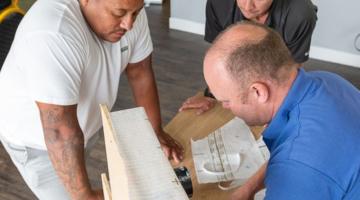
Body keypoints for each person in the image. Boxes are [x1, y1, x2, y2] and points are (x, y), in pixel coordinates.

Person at [0, 0, 183, 199]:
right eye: (119, 13)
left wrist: (154, 133)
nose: (129, 24)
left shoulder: (128, 10)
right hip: (39, 141)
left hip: (80, 128)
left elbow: (140, 71)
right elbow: (59, 131)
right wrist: (84, 196)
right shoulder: (53, 31)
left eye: (136, 13)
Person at [203, 21, 360, 199]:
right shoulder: (328, 81)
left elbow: (300, 163)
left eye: (226, 100)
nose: (225, 107)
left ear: (258, 92)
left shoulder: (296, 173)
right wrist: (248, 189)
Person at [179, 0, 318, 115]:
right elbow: (219, 59)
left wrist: (278, 115)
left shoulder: (300, 14)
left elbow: (290, 75)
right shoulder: (218, 3)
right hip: (239, 78)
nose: (247, 6)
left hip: (276, 83)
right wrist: (211, 95)